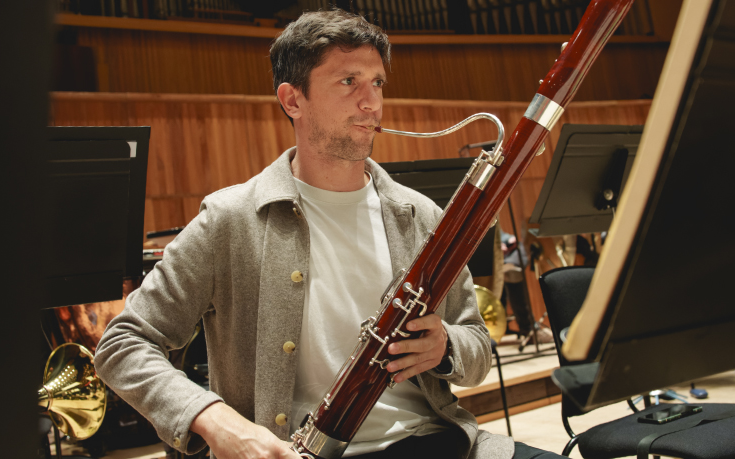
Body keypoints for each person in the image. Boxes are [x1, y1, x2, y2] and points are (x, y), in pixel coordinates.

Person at [96, 9, 564, 459]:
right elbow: (123, 344)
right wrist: (217, 420)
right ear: (292, 100)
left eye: (377, 82)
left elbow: (478, 345)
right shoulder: (230, 219)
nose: (372, 102)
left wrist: (444, 348)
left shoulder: (419, 214)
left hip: (442, 442)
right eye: (348, 82)